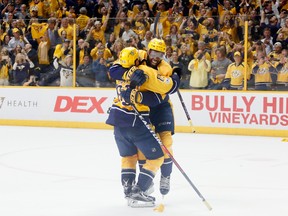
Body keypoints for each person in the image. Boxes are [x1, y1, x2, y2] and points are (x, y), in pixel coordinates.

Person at [106, 46, 180, 207]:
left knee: (128, 157)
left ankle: (128, 190)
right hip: (136, 122)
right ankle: (139, 190)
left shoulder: (120, 69)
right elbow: (164, 92)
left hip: (117, 120)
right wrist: (175, 79)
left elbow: (112, 70)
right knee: (158, 155)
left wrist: (133, 90)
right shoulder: (147, 71)